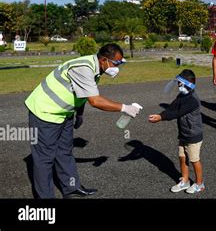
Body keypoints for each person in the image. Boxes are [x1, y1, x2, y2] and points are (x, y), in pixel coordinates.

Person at [25, 43, 143, 199]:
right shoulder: (83, 68)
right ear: (103, 60)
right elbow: (95, 100)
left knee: (65, 152)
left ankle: (71, 187)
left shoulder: (96, 69)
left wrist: (79, 114)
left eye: (120, 63)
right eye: (116, 63)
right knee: (44, 159)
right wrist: (124, 108)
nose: (118, 67)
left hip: (64, 113)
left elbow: (81, 94)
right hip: (45, 112)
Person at [148, 69, 205, 194]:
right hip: (183, 133)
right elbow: (172, 108)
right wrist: (160, 114)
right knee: (182, 157)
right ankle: (185, 181)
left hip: (193, 135)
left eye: (180, 83)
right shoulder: (181, 96)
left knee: (194, 159)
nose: (178, 86)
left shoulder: (192, 100)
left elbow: (176, 113)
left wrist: (161, 118)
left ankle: (199, 184)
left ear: (187, 84)